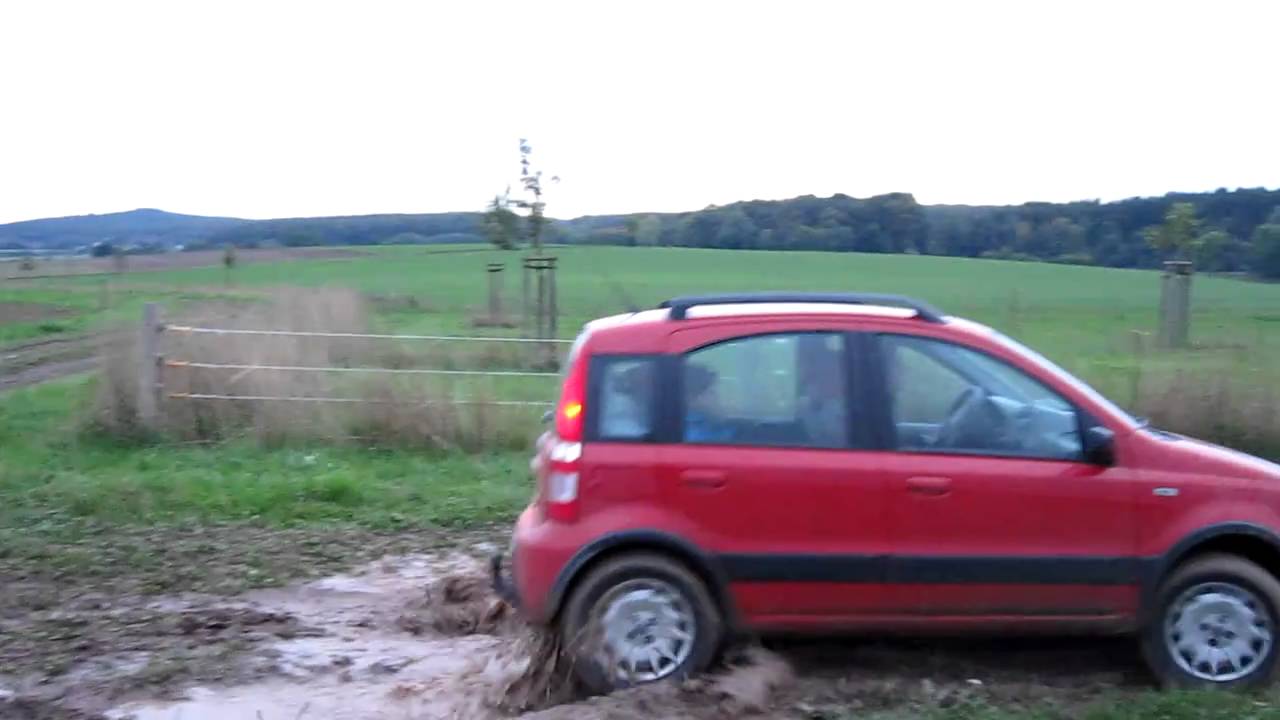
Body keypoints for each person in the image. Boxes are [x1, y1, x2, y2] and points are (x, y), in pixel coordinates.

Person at [683, 364, 735, 443]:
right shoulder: (694, 434)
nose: (717, 396)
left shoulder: (707, 421)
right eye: (711, 392)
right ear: (695, 398)